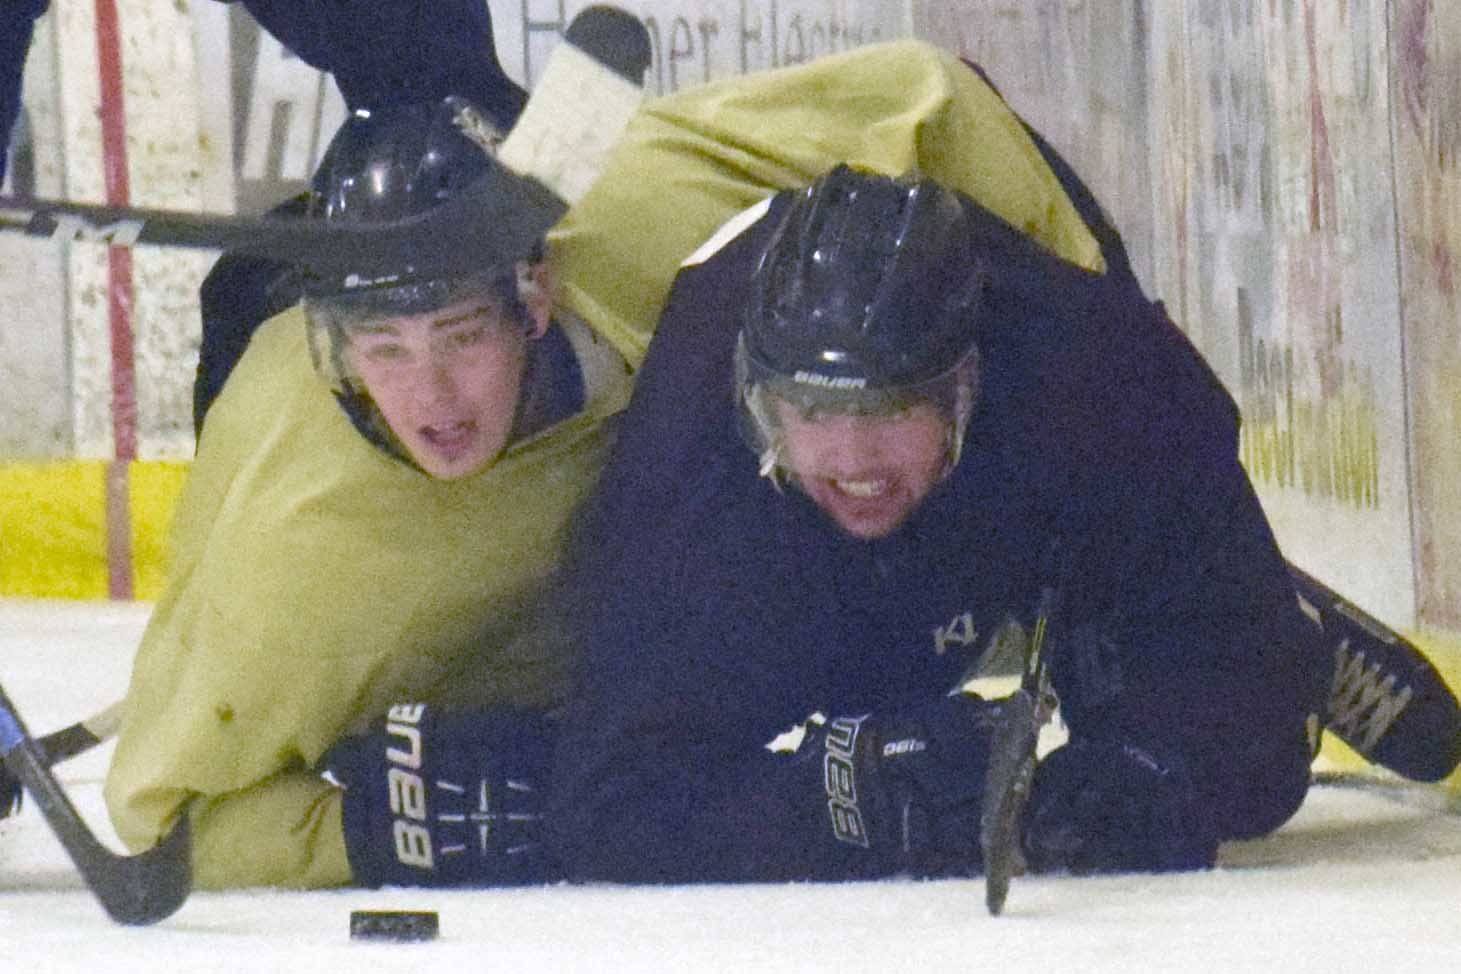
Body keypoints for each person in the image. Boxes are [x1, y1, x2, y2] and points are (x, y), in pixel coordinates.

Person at [103, 38, 1122, 890]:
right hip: (503, 610)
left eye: (461, 334)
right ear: (338, 349)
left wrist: (1115, 424)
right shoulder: (297, 567)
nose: (434, 397)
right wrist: (379, 829)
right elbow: (163, 821)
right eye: (387, 351)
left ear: (533, 296)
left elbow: (931, 103)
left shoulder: (641, 209)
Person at [539, 159, 1445, 883]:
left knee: (1244, 784)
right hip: (781, 506)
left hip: (1042, 452)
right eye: (812, 415)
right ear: (757, 405)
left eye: (890, 413)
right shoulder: (685, 463)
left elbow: (1230, 720)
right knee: (859, 657)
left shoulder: (1092, 380)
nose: (853, 464)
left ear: (962, 387)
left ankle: (1274, 612)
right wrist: (836, 805)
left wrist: (1152, 765)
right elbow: (607, 801)